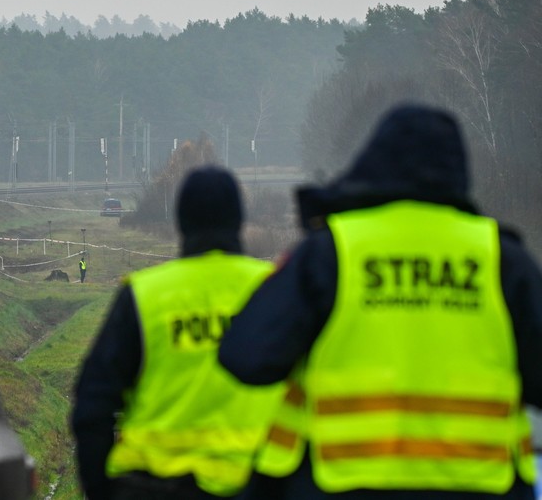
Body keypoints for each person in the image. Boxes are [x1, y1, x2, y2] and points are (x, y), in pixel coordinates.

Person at [218, 102, 542, 499]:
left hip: (340, 483)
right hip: (480, 485)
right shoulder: (503, 259)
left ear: (372, 164)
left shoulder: (331, 252)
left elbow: (246, 357)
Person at [71, 166, 283, 500]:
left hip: (152, 487)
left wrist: (100, 488)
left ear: (181, 222)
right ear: (239, 221)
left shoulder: (144, 295)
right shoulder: (277, 290)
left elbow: (92, 402)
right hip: (260, 484)